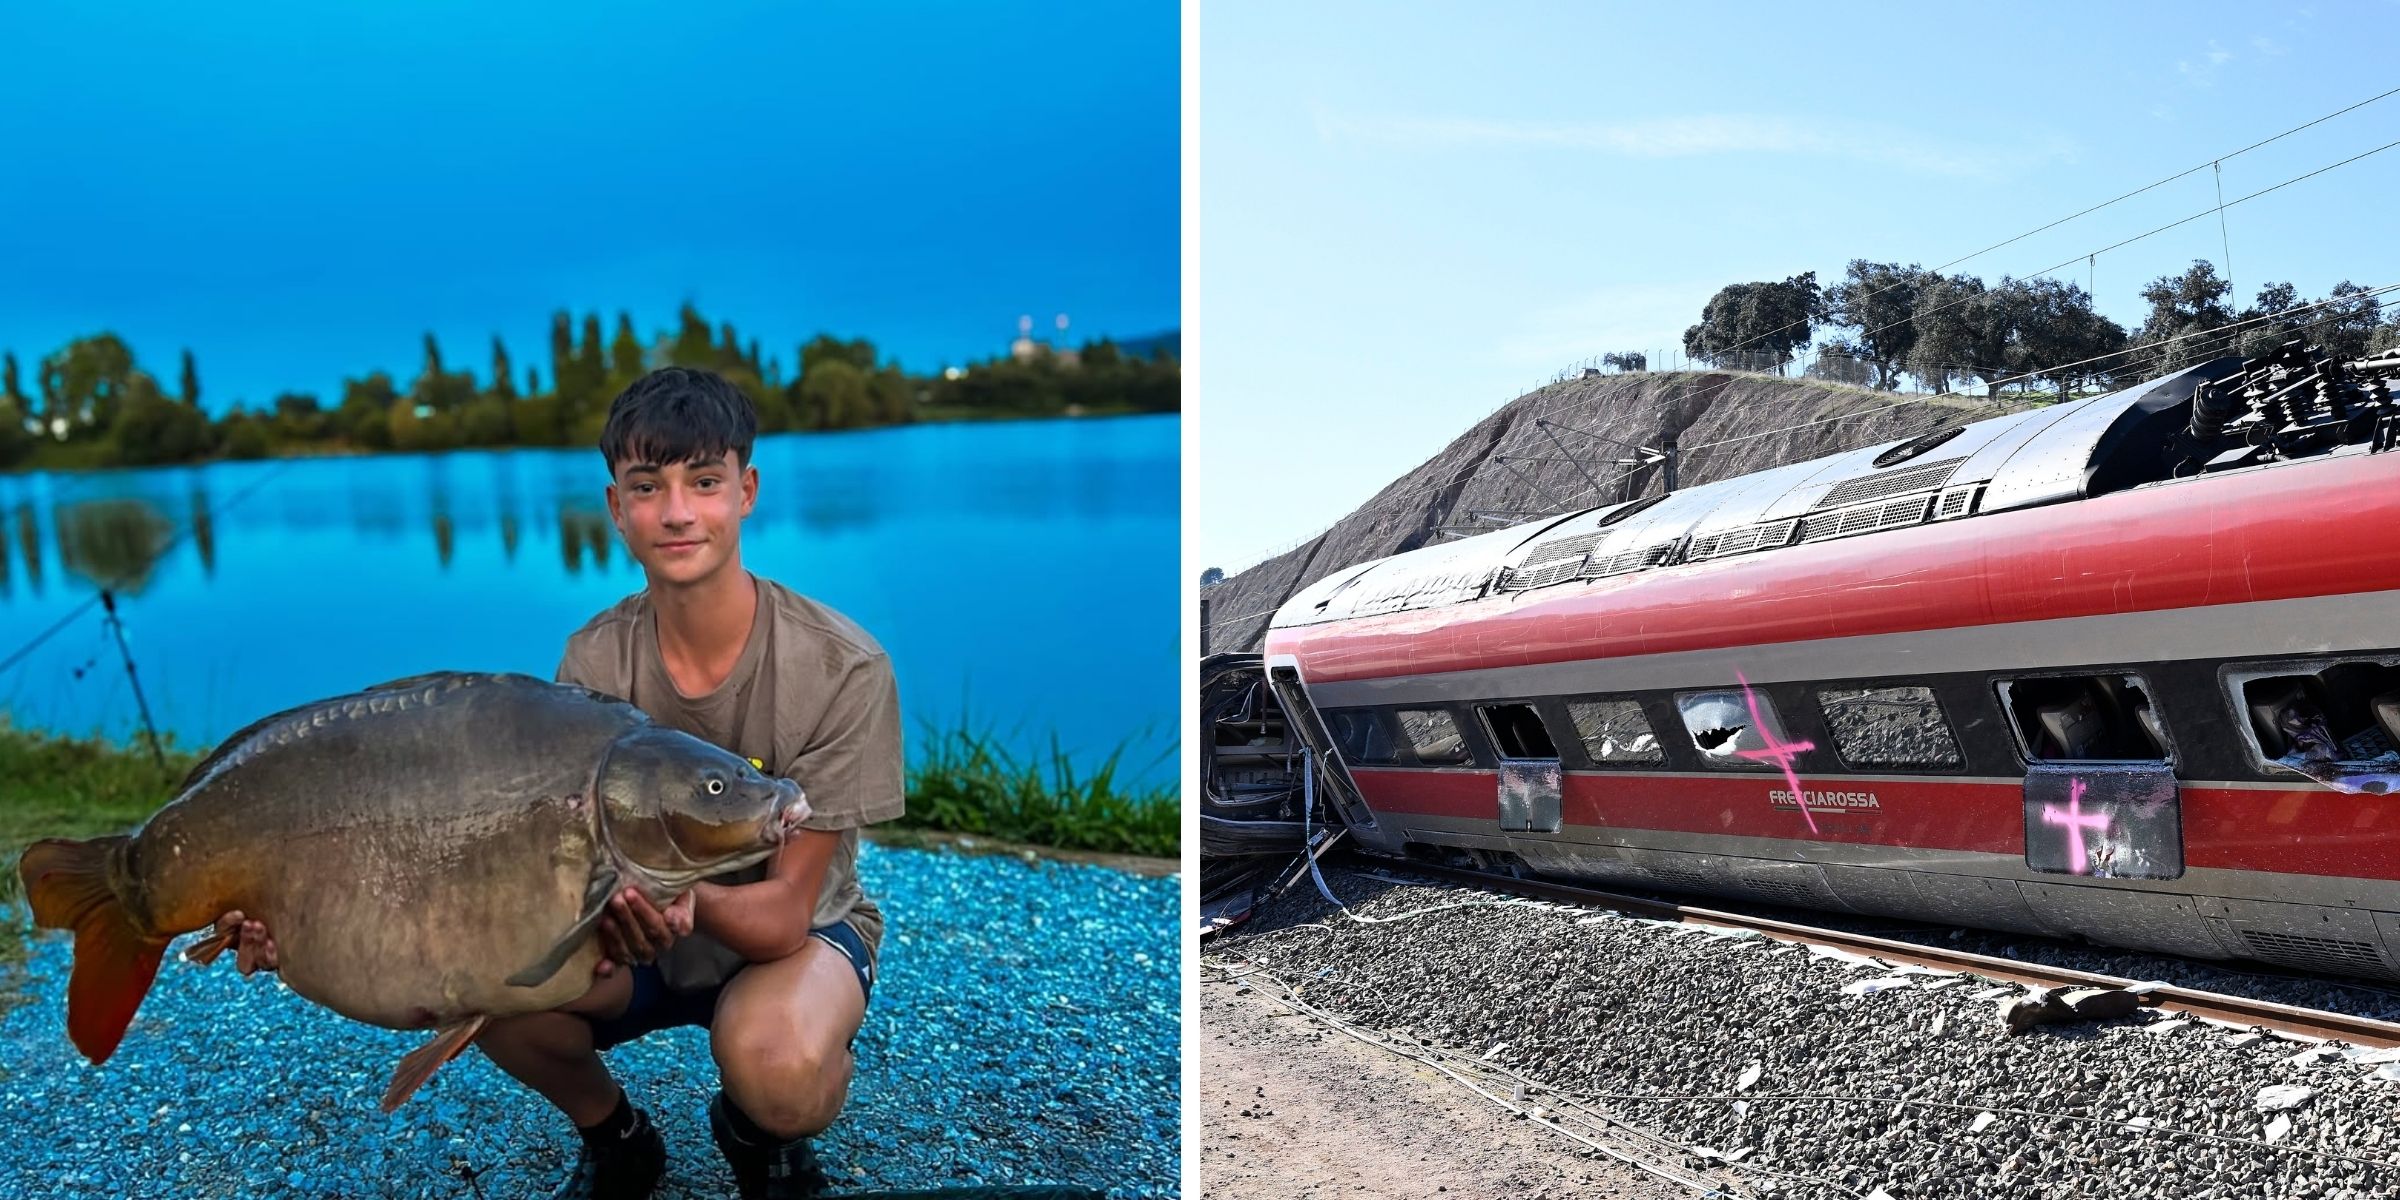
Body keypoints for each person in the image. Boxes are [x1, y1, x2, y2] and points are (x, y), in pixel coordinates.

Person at [211, 366, 904, 1200]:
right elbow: (520, 867)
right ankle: (617, 1138)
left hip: (793, 938)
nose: (678, 512)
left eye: (705, 482)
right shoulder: (592, 662)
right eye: (647, 487)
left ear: (746, 491)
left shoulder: (841, 666)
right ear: (617, 508)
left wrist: (686, 901)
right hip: (629, 936)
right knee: (495, 988)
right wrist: (301, 921)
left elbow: (788, 912)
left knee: (778, 1067)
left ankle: (762, 1132)